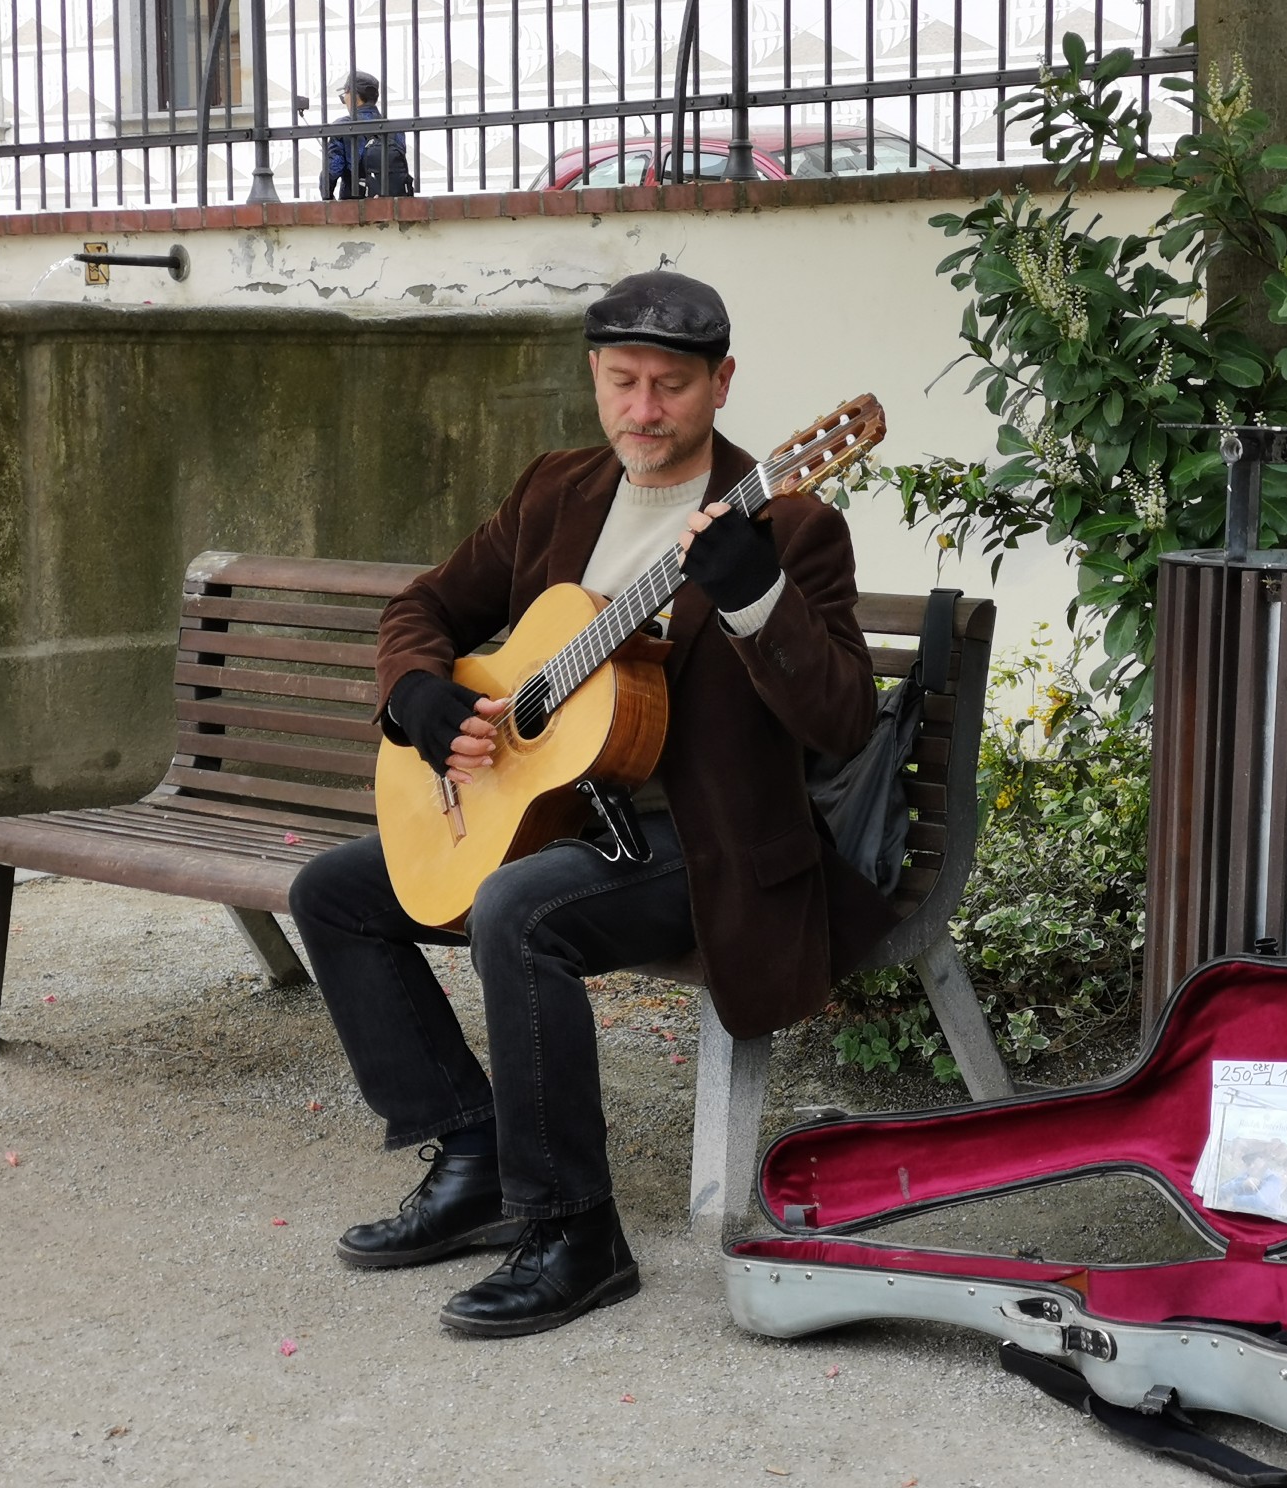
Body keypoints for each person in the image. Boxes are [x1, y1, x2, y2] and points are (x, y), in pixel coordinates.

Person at [287, 270, 896, 1339]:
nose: (644, 409)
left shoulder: (791, 521)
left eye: (671, 385)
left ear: (721, 385)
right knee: (334, 892)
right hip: (560, 820)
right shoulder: (556, 490)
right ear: (595, 378)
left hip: (699, 848)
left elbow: (845, 721)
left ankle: (577, 1234)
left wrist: (756, 597)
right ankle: (472, 1150)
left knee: (519, 913)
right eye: (624, 382)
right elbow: (422, 605)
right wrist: (422, 696)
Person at [319, 71, 413, 199]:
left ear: (352, 94)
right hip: (392, 206)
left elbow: (332, 172)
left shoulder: (343, 126)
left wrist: (330, 202)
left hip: (356, 208)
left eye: (344, 94)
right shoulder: (395, 130)